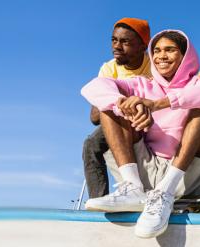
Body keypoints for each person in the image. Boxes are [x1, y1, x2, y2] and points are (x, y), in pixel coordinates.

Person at [81, 30, 200, 238]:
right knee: (112, 104)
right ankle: (131, 188)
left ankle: (165, 193)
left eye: (170, 50)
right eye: (157, 51)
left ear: (185, 56)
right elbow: (93, 87)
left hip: (187, 175)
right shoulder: (142, 85)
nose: (161, 56)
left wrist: (156, 104)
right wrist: (125, 106)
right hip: (146, 169)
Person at [83, 17, 151, 199]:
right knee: (91, 144)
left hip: (153, 120)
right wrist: (122, 100)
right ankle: (98, 201)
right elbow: (95, 117)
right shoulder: (108, 69)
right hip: (121, 121)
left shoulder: (155, 65)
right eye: (114, 40)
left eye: (125, 42)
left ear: (143, 46)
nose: (117, 47)